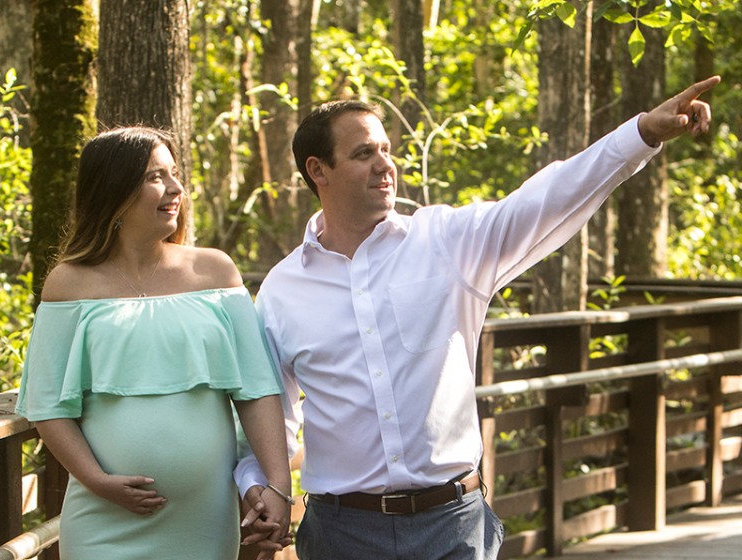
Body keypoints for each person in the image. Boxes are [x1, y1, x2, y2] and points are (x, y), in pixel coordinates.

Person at [235, 76, 721, 559]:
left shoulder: (445, 242)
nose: (386, 164)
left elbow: (547, 198)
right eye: (364, 153)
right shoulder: (282, 290)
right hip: (342, 533)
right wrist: (259, 485)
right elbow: (270, 414)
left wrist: (642, 134)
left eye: (387, 150)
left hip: (453, 525)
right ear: (318, 170)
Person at [15, 126, 292, 560]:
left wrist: (278, 483)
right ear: (114, 191)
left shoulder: (215, 274)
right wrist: (96, 481)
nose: (176, 188)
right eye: (155, 177)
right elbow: (47, 405)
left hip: (203, 520)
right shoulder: (69, 284)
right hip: (103, 517)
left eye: (174, 173)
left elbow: (257, 391)